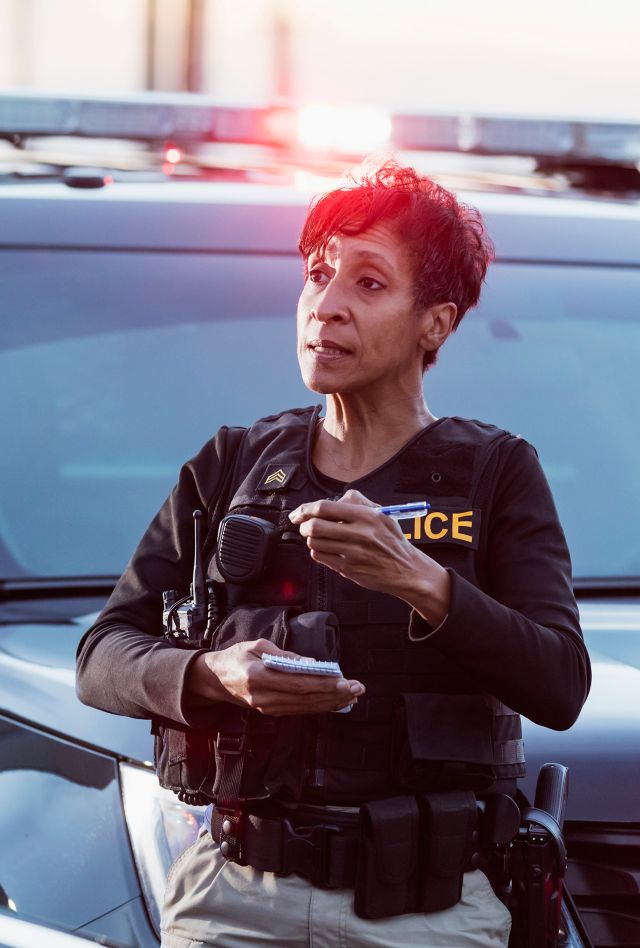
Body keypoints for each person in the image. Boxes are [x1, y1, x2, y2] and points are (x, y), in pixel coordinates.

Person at [76, 160, 591, 948]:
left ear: (436, 324)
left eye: (370, 284)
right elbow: (101, 654)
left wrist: (422, 582)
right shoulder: (234, 462)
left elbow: (560, 685)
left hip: (428, 916)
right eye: (317, 277)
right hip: (232, 900)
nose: (328, 308)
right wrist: (213, 675)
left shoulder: (497, 473)